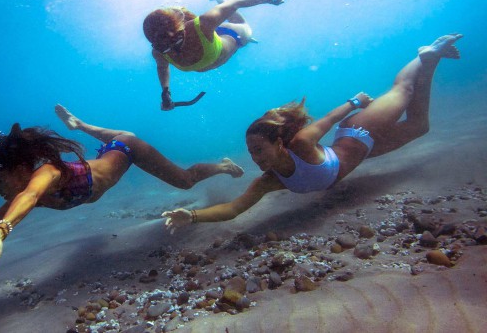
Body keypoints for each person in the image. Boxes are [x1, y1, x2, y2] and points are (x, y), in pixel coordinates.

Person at [0, 104, 244, 293]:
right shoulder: (28, 189)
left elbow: (30, 195)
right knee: (105, 145)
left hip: (127, 149)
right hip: (105, 153)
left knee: (183, 181)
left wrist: (3, 230)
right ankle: (81, 126)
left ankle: (223, 166)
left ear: (21, 170)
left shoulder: (45, 175)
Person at [162, 34, 463, 230]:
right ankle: (431, 60)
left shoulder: (302, 143)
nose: (255, 158)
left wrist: (355, 102)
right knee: (419, 126)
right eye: (251, 152)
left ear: (279, 143)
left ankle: (424, 55)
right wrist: (191, 216)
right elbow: (233, 208)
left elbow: (330, 119)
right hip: (364, 150)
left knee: (404, 89)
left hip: (360, 130)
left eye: (259, 150)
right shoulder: (270, 181)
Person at [143, 0, 292, 110]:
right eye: (163, 47)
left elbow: (236, 2)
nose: (172, 49)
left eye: (175, 41)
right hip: (212, 37)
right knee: (215, 26)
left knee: (242, 24)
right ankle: (219, 3)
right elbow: (162, 68)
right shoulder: (159, 51)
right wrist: (165, 92)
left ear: (181, 30)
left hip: (234, 35)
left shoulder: (203, 23)